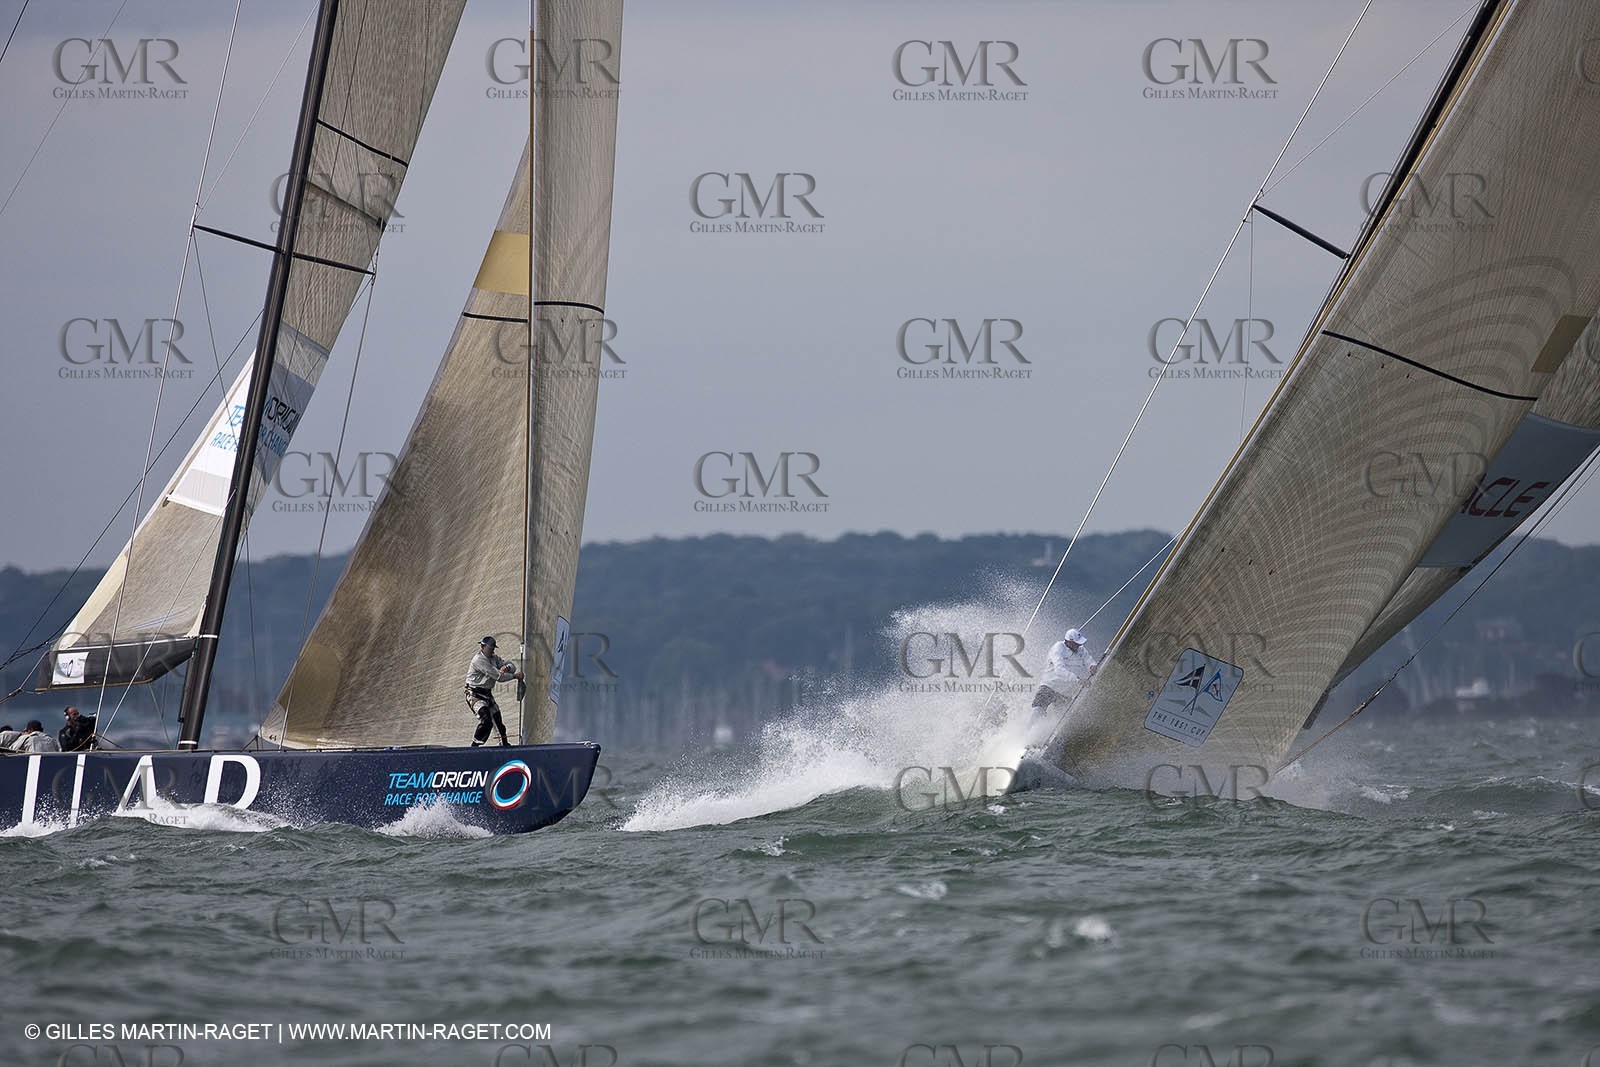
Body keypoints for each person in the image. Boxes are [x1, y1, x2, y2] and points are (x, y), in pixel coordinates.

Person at [464, 636, 521, 747]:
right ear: (482, 647)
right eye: (490, 648)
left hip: (487, 694)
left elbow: (512, 665)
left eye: (493, 648)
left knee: (499, 724)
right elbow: (498, 676)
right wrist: (515, 676)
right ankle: (474, 747)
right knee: (486, 721)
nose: (492, 651)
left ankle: (504, 746)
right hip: (474, 694)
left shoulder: (494, 658)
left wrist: (507, 668)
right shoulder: (478, 660)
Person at [1030, 628, 1098, 715]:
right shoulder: (1058, 647)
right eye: (1076, 644)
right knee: (1038, 709)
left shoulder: (1081, 649)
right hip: (1050, 686)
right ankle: (1028, 728)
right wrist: (1079, 680)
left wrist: (1092, 665)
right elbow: (1059, 670)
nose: (1078, 646)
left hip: (1065, 692)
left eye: (1079, 643)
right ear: (1069, 641)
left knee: (1062, 717)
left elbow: (1088, 660)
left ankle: (1050, 728)